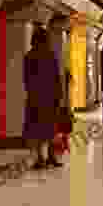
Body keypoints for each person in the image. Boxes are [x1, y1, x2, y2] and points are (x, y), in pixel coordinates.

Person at [23, 27, 63, 169]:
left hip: (35, 97)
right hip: (50, 97)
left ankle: (40, 159)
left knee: (37, 129)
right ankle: (52, 156)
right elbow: (56, 77)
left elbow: (26, 79)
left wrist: (31, 93)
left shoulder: (29, 56)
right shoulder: (51, 55)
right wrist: (59, 95)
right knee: (51, 128)